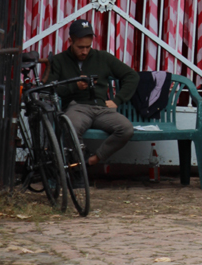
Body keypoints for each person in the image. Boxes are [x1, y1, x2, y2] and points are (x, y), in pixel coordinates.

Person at [47, 18, 139, 166]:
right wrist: (75, 86)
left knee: (126, 129)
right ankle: (77, 166)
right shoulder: (59, 60)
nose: (84, 51)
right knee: (71, 126)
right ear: (70, 41)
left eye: (88, 47)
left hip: (101, 108)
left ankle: (92, 160)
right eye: (80, 47)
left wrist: (117, 100)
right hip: (76, 107)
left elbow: (132, 76)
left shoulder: (103, 57)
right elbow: (49, 88)